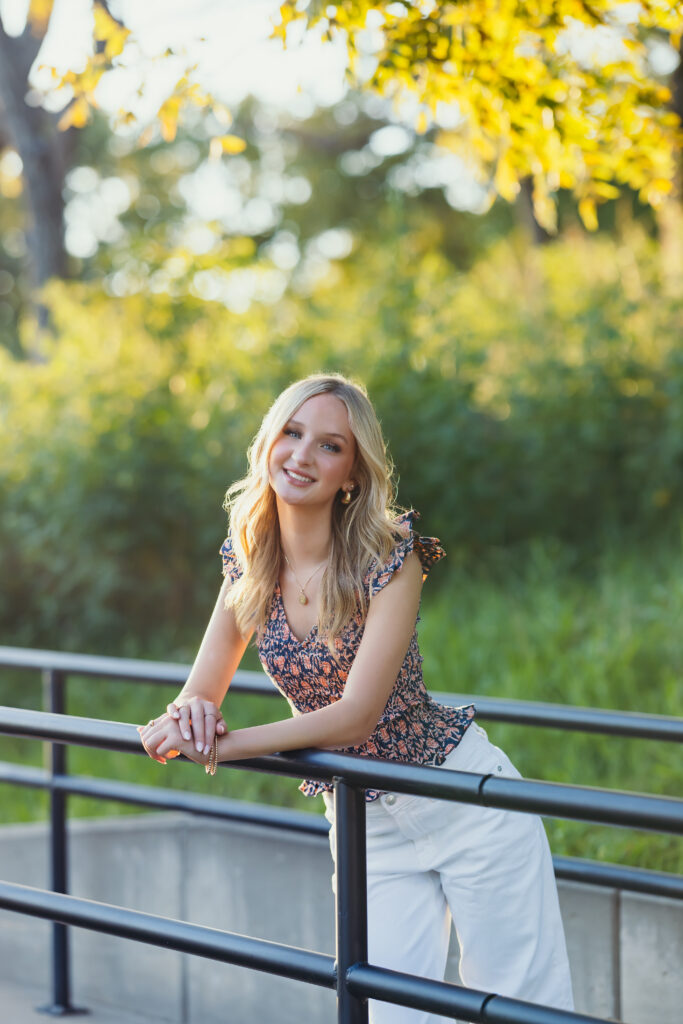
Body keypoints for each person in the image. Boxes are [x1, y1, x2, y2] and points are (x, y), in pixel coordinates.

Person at [138, 372, 574, 1023]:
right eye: (291, 433)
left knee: (520, 1008)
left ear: (351, 472)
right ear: (267, 443)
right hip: (363, 819)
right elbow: (198, 692)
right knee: (393, 1013)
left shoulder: (390, 556)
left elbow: (355, 716)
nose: (302, 456)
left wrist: (220, 748)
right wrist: (186, 717)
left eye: (328, 446)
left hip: (463, 803)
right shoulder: (248, 564)